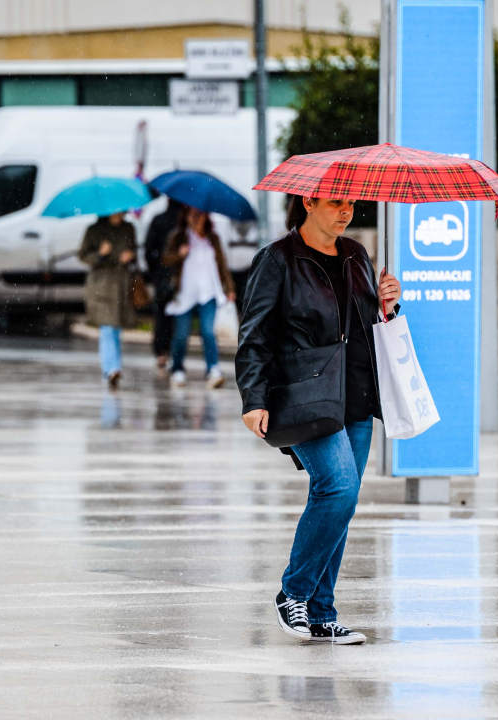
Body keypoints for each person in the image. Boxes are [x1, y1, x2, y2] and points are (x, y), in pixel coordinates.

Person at [235, 195, 401, 645]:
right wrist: (254, 398)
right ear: (308, 201)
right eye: (335, 202)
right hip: (304, 396)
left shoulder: (356, 255)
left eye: (351, 203)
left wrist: (387, 305)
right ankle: (294, 593)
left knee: (340, 503)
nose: (346, 211)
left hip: (356, 395)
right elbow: (254, 335)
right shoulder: (278, 259)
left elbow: (364, 325)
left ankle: (322, 613)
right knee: (339, 489)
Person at [161, 206, 236, 389]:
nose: (196, 218)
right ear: (185, 216)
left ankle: (213, 369)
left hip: (208, 293)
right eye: (192, 214)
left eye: (199, 215)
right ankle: (177, 369)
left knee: (208, 332)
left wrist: (229, 288)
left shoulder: (213, 238)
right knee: (181, 335)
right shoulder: (178, 237)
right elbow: (165, 259)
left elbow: (222, 265)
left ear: (206, 217)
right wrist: (179, 254)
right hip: (185, 294)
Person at [78, 212, 137, 390]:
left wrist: (130, 256)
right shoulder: (94, 230)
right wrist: (100, 254)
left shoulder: (128, 228)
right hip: (101, 285)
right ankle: (111, 369)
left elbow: (135, 252)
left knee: (116, 327)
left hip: (121, 284)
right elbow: (83, 255)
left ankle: (113, 368)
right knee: (107, 327)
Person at [144, 197, 184, 370]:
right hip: (181, 275)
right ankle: (175, 353)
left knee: (161, 315)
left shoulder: (158, 220)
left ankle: (161, 351)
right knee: (178, 315)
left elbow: (148, 249)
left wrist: (155, 270)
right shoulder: (184, 223)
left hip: (161, 275)